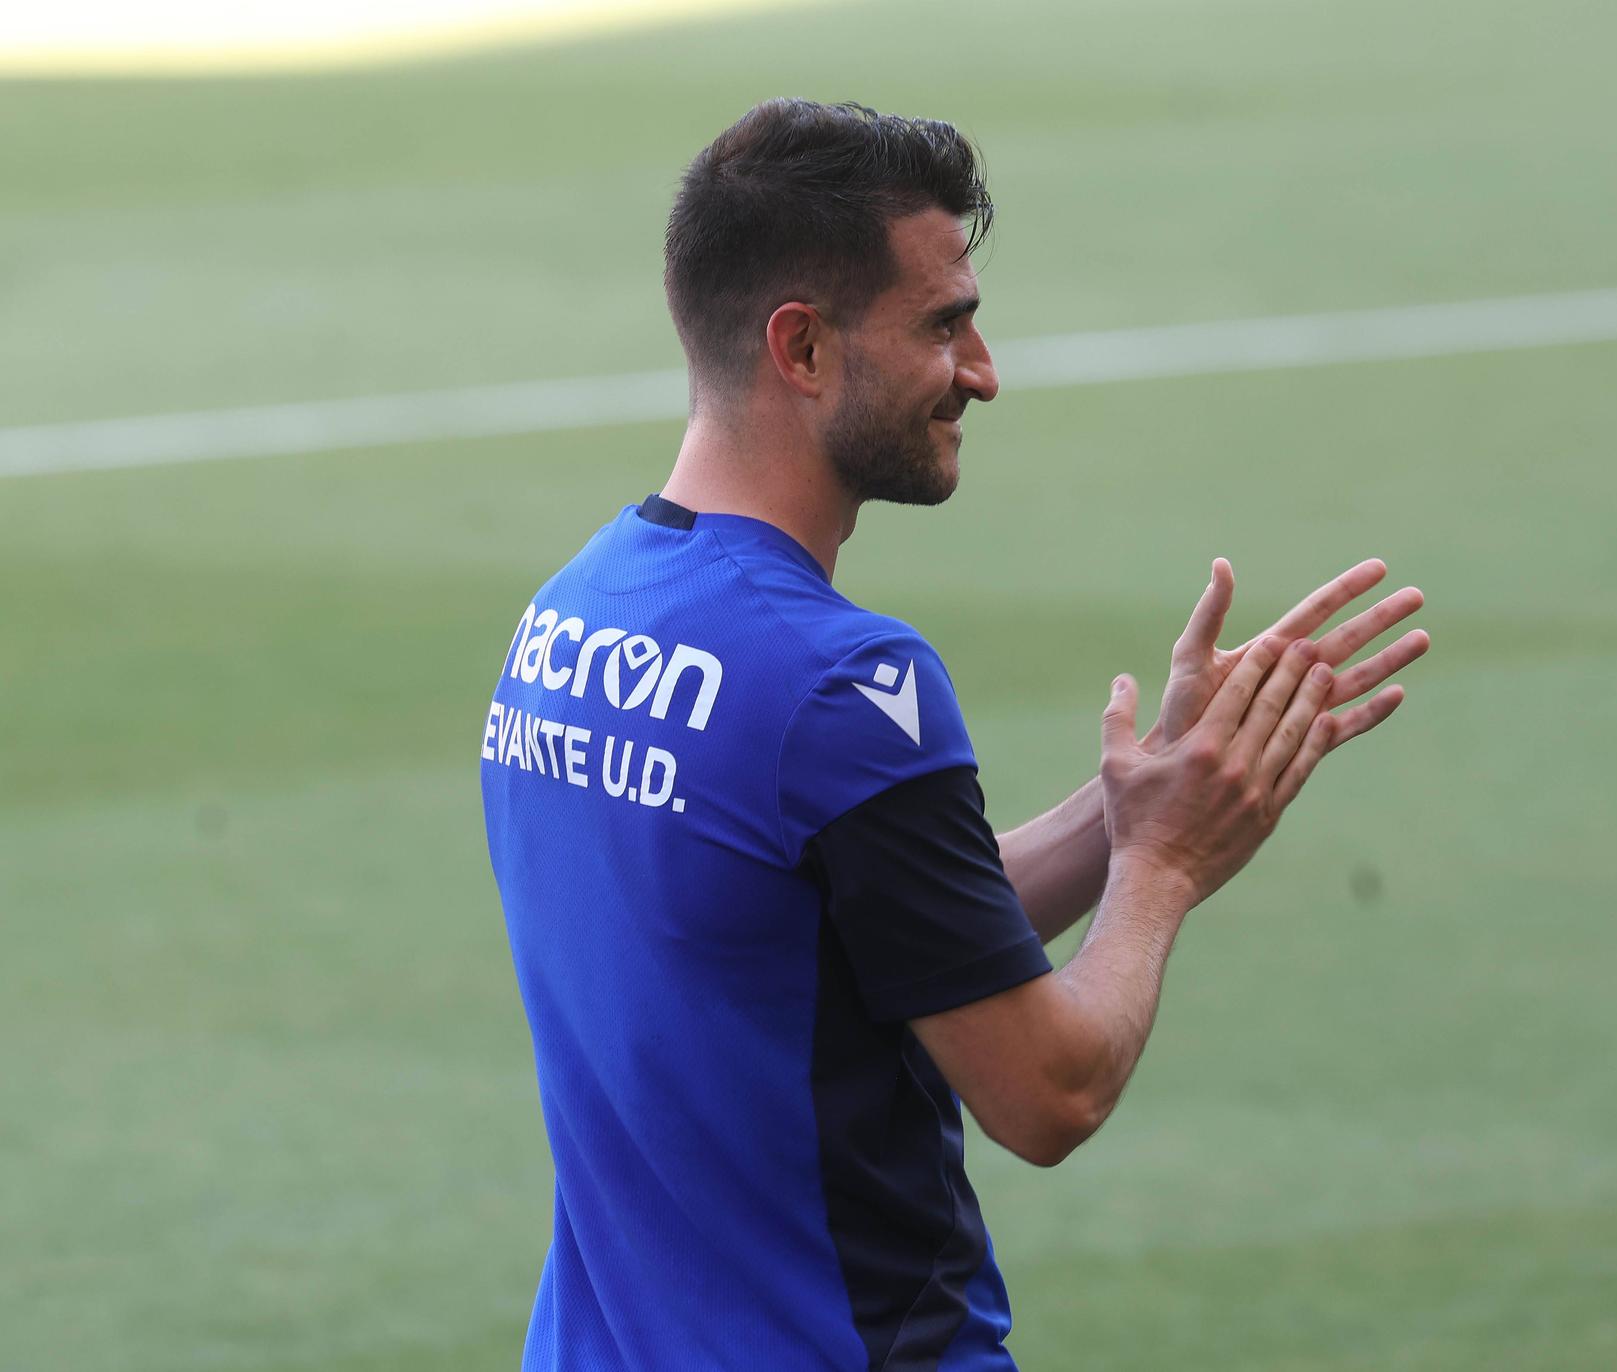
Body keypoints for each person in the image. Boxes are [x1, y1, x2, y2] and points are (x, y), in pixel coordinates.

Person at [480, 98, 1428, 1372]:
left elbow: (865, 931)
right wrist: (1163, 872)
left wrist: (1137, 801)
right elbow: (1048, 1091)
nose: (981, 370)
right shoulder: (838, 683)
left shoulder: (573, 614)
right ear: (802, 348)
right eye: (942, 324)